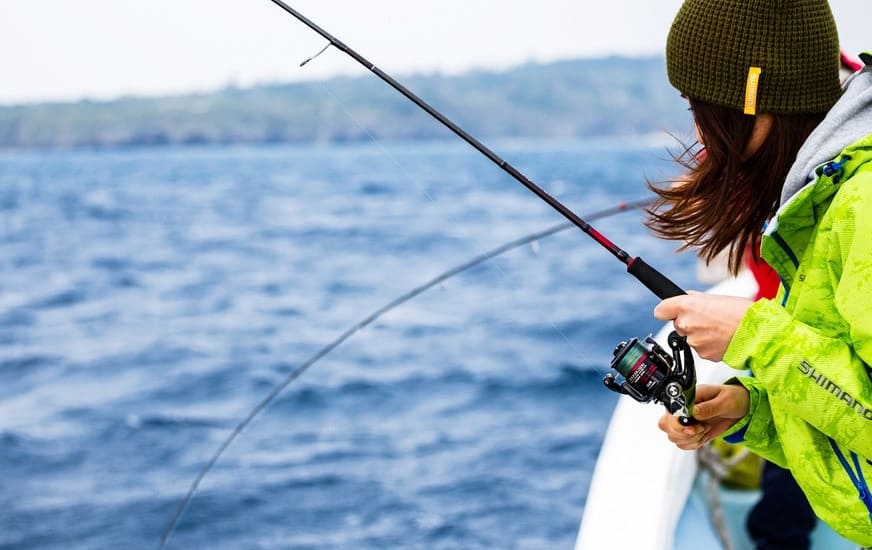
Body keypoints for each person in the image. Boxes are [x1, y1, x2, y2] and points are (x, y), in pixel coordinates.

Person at [646, 0, 872, 546]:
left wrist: (756, 337)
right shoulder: (827, 194)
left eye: (700, 105)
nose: (700, 127)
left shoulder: (863, 201)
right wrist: (753, 408)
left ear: (754, 100)